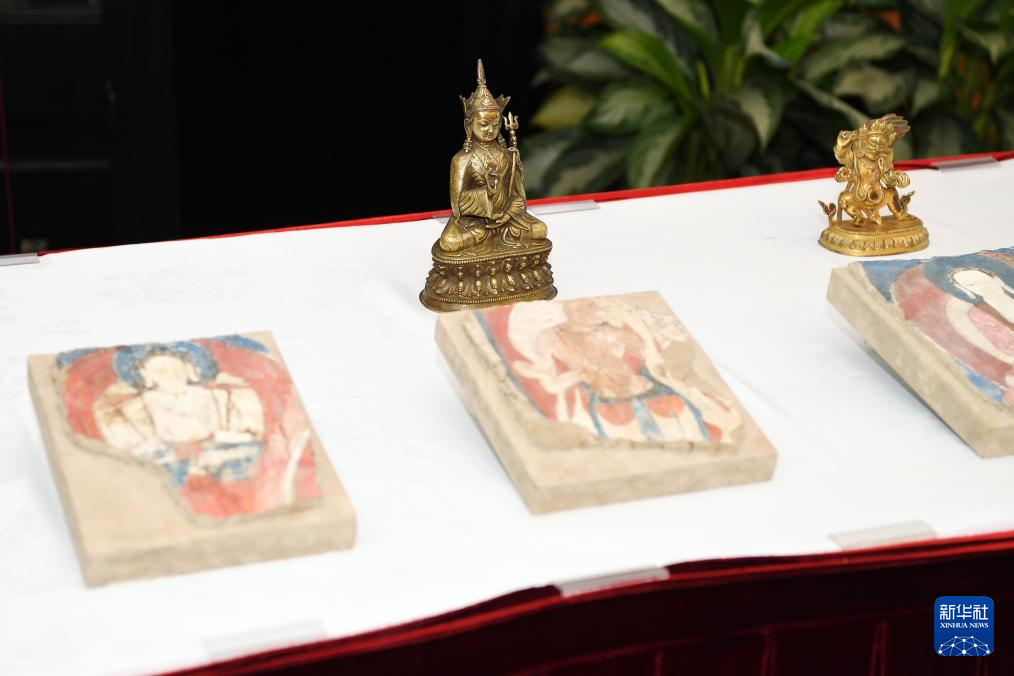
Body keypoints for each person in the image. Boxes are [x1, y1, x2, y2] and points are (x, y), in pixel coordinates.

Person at [509, 298, 741, 443]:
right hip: (606, 400)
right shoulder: (550, 337)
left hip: (646, 389)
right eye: (585, 307)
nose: (593, 310)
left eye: (594, 307)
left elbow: (647, 350)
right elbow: (550, 382)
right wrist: (568, 376)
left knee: (686, 425)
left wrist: (655, 339)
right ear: (568, 310)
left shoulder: (609, 331)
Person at [438, 60, 547, 253]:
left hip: (507, 219)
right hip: (476, 221)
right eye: (483, 124)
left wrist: (510, 209)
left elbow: (516, 195)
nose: (490, 130)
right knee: (450, 242)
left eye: (495, 125)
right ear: (468, 125)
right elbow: (457, 203)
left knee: (539, 229)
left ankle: (497, 237)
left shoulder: (506, 154)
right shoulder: (462, 159)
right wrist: (486, 193)